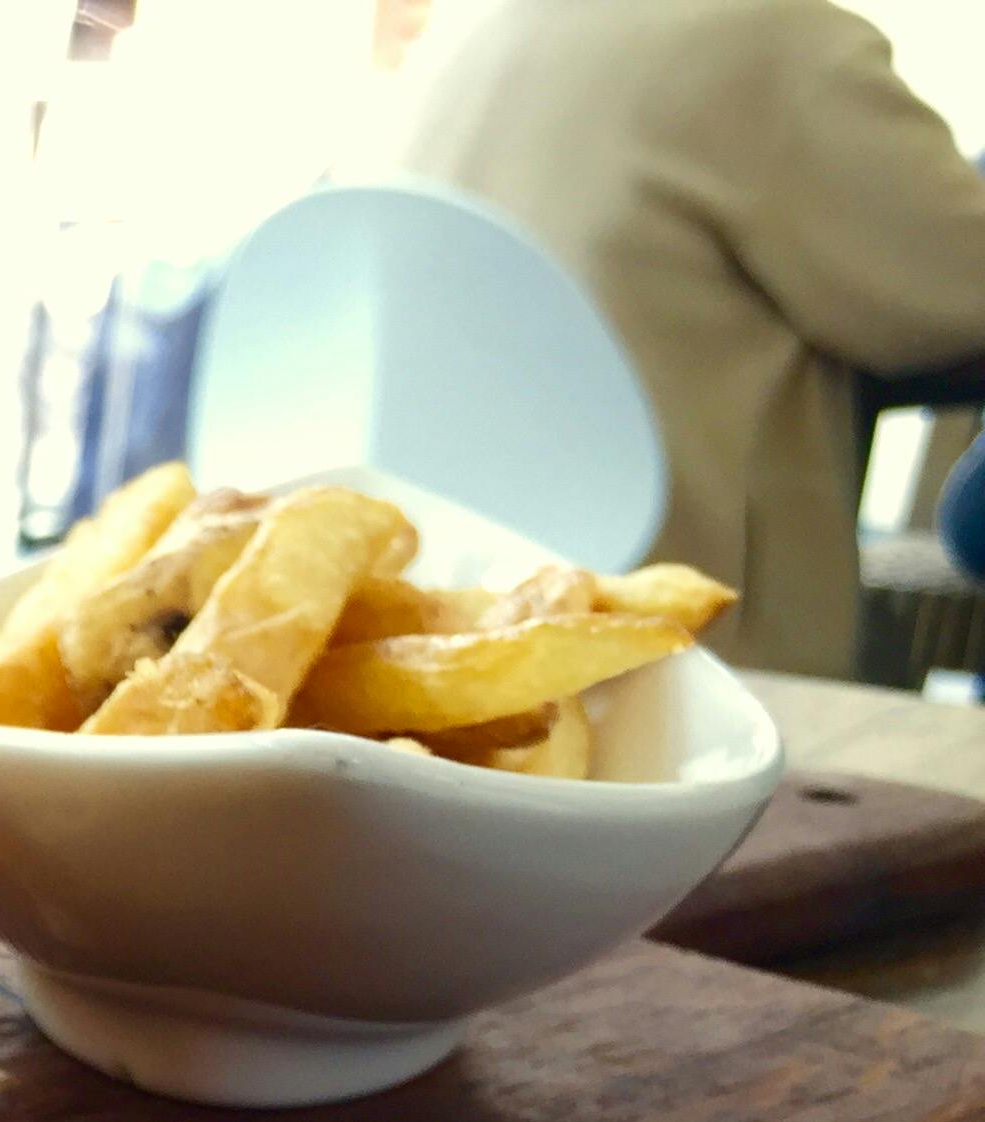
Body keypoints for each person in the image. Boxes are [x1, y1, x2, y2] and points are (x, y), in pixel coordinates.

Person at [394, 0, 985, 676]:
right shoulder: (777, 40)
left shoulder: (468, 29)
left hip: (440, 604)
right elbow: (960, 292)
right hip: (683, 645)